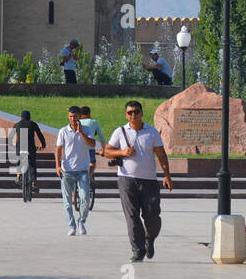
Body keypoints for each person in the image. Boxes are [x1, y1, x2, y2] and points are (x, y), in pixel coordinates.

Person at [105, 100, 173, 261]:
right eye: (130, 112)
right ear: (126, 115)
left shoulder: (151, 132)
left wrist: (167, 175)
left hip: (149, 181)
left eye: (136, 111)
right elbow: (107, 152)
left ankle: (150, 239)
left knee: (153, 216)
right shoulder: (120, 132)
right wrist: (122, 152)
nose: (133, 115)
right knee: (132, 216)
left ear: (142, 113)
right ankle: (137, 249)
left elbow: (161, 154)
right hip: (127, 180)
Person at [55, 106, 96, 235]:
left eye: (75, 116)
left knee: (85, 199)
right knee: (67, 201)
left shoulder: (87, 129)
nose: (73, 119)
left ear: (80, 117)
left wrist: (81, 132)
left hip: (83, 169)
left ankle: (81, 222)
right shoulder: (63, 131)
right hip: (67, 170)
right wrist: (57, 165)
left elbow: (92, 144)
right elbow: (58, 149)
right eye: (71, 116)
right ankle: (71, 225)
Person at [7, 110, 47, 192]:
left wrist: (12, 145)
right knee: (32, 164)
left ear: (21, 117)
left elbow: (10, 137)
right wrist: (43, 145)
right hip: (30, 148)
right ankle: (34, 182)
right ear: (29, 117)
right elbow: (40, 135)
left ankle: (18, 176)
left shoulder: (17, 125)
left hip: (20, 147)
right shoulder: (33, 124)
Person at [79, 106, 105, 206]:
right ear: (89, 113)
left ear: (80, 115)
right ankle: (89, 176)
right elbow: (102, 137)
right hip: (90, 149)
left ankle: (73, 196)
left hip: (77, 150)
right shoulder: (94, 122)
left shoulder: (77, 122)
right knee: (92, 163)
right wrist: (103, 150)